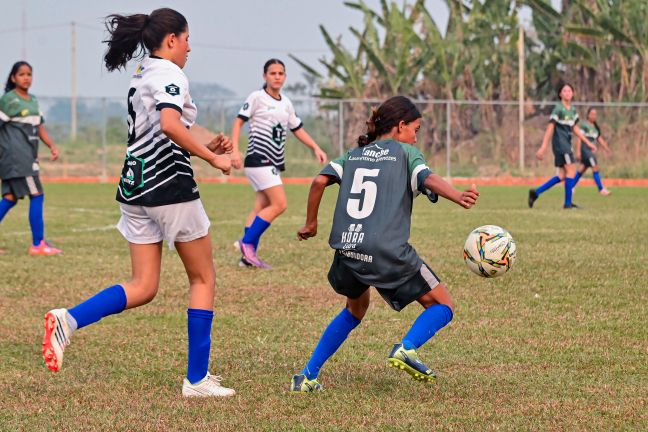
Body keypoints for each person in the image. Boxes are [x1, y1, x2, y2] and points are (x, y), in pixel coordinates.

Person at [41, 8, 236, 398]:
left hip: (135, 184)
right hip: (169, 186)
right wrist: (213, 158)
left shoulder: (145, 72)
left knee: (144, 285)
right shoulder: (169, 73)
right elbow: (168, 124)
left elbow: (169, 126)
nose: (189, 47)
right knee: (203, 278)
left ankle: (69, 320)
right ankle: (196, 380)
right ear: (171, 40)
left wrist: (203, 146)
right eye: (186, 39)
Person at [290, 96, 479, 392]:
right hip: (386, 251)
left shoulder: (354, 154)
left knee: (355, 309)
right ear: (401, 126)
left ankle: (307, 376)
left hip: (348, 249)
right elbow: (426, 178)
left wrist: (311, 223)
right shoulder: (405, 152)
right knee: (443, 304)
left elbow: (318, 182)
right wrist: (457, 195)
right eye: (415, 129)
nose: (416, 137)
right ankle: (407, 347)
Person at [230, 59, 327, 269]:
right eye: (272, 73)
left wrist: (315, 147)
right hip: (259, 159)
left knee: (260, 207)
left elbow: (297, 128)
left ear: (284, 77)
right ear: (264, 76)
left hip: (272, 161)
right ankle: (246, 244)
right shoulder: (257, 97)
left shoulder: (286, 103)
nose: (277, 76)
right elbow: (238, 122)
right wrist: (235, 150)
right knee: (280, 204)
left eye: (281, 73)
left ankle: (247, 258)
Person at [0, 61, 62, 255]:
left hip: (26, 157)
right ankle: (38, 244)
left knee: (10, 198)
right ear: (13, 78)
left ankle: (39, 242)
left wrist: (51, 145)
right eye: (21, 74)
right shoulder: (9, 100)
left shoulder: (33, 101)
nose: (26, 78)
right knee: (37, 194)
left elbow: (40, 127)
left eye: (29, 74)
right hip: (18, 158)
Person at [529, 83, 597, 209]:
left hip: (567, 143)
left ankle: (536, 192)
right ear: (560, 94)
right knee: (571, 171)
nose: (567, 93)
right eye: (564, 91)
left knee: (562, 175)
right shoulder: (558, 109)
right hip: (561, 144)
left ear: (573, 93)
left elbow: (576, 129)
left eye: (569, 90)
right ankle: (567, 204)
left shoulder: (572, 110)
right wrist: (543, 147)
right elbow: (550, 128)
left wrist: (588, 143)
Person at [573, 107, 612, 195]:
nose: (594, 116)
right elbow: (579, 138)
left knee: (582, 168)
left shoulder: (595, 128)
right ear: (588, 115)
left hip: (591, 151)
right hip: (585, 149)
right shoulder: (584, 125)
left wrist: (607, 148)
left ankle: (571, 186)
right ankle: (601, 189)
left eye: (595, 114)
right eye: (592, 114)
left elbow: (599, 139)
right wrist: (578, 151)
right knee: (595, 166)